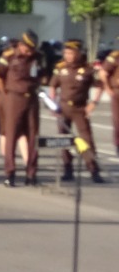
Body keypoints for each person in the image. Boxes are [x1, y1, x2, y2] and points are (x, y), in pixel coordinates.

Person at [49, 39, 105, 183]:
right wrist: (52, 104)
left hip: (80, 108)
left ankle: (93, 170)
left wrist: (94, 102)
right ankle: (68, 169)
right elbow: (53, 87)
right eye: (66, 53)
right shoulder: (60, 68)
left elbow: (100, 85)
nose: (68, 56)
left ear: (79, 53)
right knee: (63, 140)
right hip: (63, 108)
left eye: (71, 53)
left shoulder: (88, 69)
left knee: (86, 140)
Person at [0, 31, 43, 188]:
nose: (29, 53)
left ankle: (31, 173)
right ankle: (10, 173)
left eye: (32, 50)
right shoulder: (9, 55)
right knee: (11, 136)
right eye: (27, 49)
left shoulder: (37, 57)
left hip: (31, 98)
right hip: (13, 97)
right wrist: (5, 95)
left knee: (32, 136)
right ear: (21, 45)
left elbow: (41, 75)